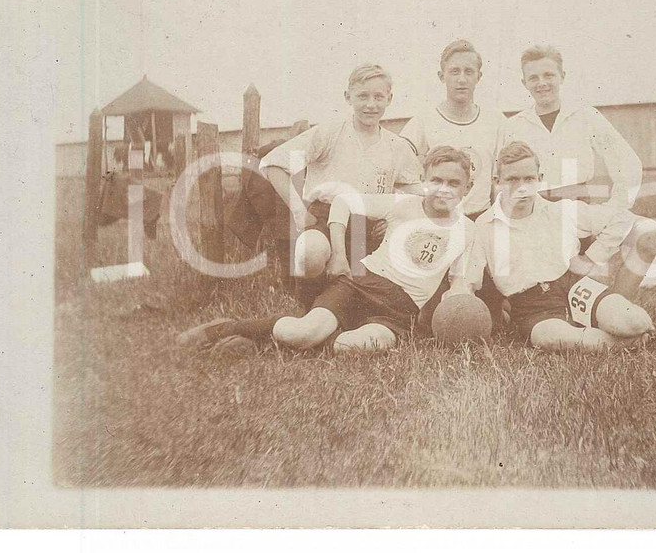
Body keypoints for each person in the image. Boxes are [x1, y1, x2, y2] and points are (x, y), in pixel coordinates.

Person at [177, 146, 476, 353]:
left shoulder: (467, 230)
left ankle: (259, 343)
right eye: (436, 180)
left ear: (467, 188)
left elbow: (459, 279)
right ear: (424, 181)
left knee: (352, 347)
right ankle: (226, 328)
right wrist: (341, 254)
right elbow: (345, 201)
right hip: (361, 283)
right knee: (303, 332)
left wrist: (458, 302)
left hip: (400, 311)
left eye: (454, 182)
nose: (443, 188)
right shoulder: (404, 205)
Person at [452, 141, 656, 351]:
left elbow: (620, 218)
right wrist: (460, 304)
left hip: (573, 287)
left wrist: (592, 258)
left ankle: (641, 331)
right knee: (553, 338)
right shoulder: (484, 225)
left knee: (632, 321)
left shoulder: (560, 211)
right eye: (513, 179)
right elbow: (470, 279)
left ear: (540, 179)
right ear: (497, 182)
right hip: (531, 305)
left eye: (529, 179)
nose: (522, 187)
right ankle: (648, 339)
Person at [495, 45, 656, 298]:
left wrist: (615, 207)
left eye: (549, 75)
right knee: (555, 297)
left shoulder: (585, 116)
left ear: (562, 76)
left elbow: (626, 163)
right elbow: (502, 182)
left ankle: (619, 303)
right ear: (524, 82)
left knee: (647, 233)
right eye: (534, 77)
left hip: (581, 214)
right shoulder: (514, 126)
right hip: (535, 218)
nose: (542, 83)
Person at [248, 64, 421, 302]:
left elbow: (413, 192)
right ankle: (307, 306)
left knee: (363, 299)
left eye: (378, 96)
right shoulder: (330, 132)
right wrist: (300, 213)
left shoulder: (397, 146)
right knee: (310, 252)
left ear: (389, 99)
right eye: (362, 96)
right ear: (348, 97)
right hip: (324, 220)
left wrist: (394, 222)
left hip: (369, 228)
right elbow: (272, 163)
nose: (371, 104)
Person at [399, 39, 502, 217]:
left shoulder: (496, 121)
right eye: (454, 71)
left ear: (479, 76)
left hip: (480, 218)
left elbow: (500, 182)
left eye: (469, 71)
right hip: (437, 220)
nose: (461, 79)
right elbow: (398, 172)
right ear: (442, 76)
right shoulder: (423, 121)